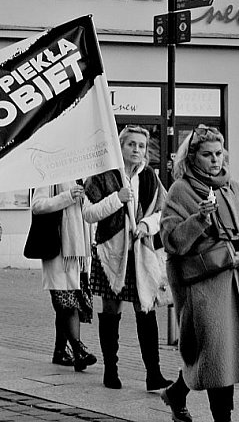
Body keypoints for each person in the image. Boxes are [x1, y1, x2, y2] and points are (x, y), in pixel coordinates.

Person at [159, 125, 239, 422]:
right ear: (193, 157)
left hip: (232, 283)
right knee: (217, 350)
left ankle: (176, 393)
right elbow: (171, 241)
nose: (215, 160)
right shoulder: (181, 191)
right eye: (207, 154)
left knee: (213, 351)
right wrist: (200, 220)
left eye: (219, 154)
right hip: (199, 285)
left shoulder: (235, 189)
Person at [83, 125, 173, 392]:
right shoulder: (103, 175)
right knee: (111, 310)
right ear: (120, 147)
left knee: (145, 308)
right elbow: (89, 213)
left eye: (142, 146)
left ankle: (153, 373)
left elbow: (163, 211)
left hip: (141, 252)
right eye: (131, 144)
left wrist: (146, 225)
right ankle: (111, 369)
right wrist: (117, 199)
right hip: (111, 251)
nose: (137, 150)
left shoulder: (149, 177)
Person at [31, 182, 98, 370]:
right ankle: (78, 351)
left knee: (69, 303)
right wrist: (67, 196)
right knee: (67, 302)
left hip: (79, 252)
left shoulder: (84, 177)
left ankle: (60, 352)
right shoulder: (52, 175)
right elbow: (37, 206)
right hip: (58, 248)